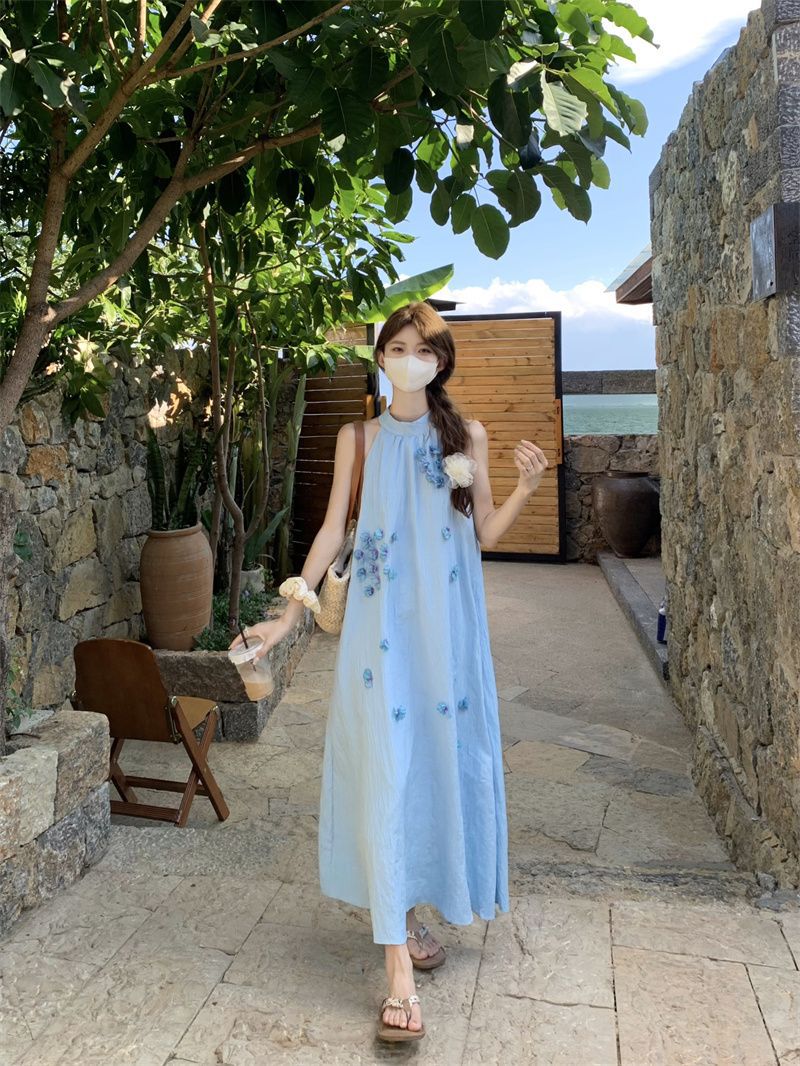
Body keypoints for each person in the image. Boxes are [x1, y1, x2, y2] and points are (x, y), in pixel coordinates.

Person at [230, 302, 548, 1042]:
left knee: (434, 764)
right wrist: (288, 615)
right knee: (384, 766)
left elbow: (484, 532)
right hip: (379, 636)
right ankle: (397, 970)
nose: (410, 360)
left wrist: (527, 489)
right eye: (397, 348)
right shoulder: (358, 438)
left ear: (441, 361)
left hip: (448, 632)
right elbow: (331, 532)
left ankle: (404, 914)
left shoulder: (467, 436)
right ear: (380, 357)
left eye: (423, 350)